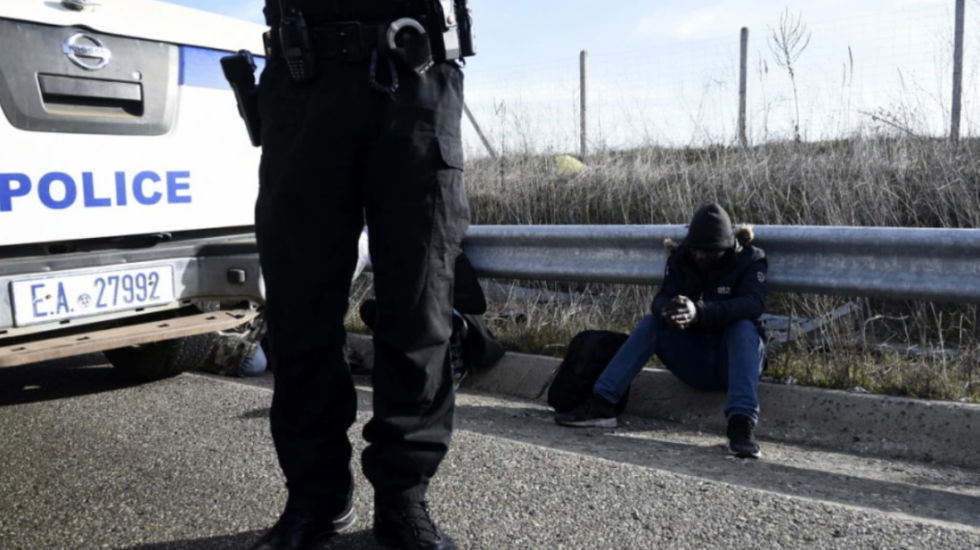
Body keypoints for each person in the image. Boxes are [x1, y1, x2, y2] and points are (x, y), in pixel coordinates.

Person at [249, 1, 470, 549]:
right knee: (299, 307)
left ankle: (402, 501)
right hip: (302, 73)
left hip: (416, 67)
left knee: (420, 307)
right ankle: (316, 496)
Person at [556, 203, 769, 459]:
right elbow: (660, 298)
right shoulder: (682, 258)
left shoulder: (750, 259)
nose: (700, 256)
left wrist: (699, 311)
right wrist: (668, 308)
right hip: (694, 359)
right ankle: (602, 405)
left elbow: (753, 304)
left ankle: (741, 427)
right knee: (653, 321)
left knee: (743, 326)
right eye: (696, 249)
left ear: (725, 246)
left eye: (708, 251)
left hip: (732, 360)